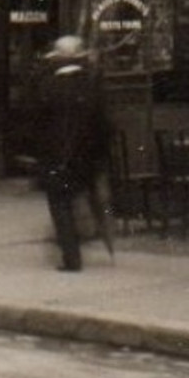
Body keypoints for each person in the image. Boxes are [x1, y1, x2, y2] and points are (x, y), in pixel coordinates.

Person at [36, 35, 111, 272]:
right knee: (82, 200)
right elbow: (104, 125)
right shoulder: (91, 86)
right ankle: (93, 242)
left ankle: (71, 257)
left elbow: (36, 125)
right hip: (85, 159)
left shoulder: (47, 87)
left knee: (60, 205)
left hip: (56, 159)